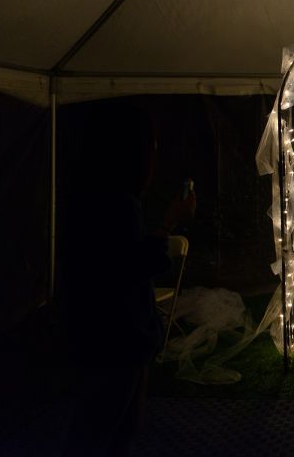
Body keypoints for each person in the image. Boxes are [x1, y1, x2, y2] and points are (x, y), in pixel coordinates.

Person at [59, 101, 195, 455]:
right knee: (104, 427)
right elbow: (132, 265)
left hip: (106, 334)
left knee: (114, 426)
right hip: (115, 337)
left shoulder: (91, 196)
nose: (154, 156)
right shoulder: (115, 204)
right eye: (150, 147)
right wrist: (169, 222)